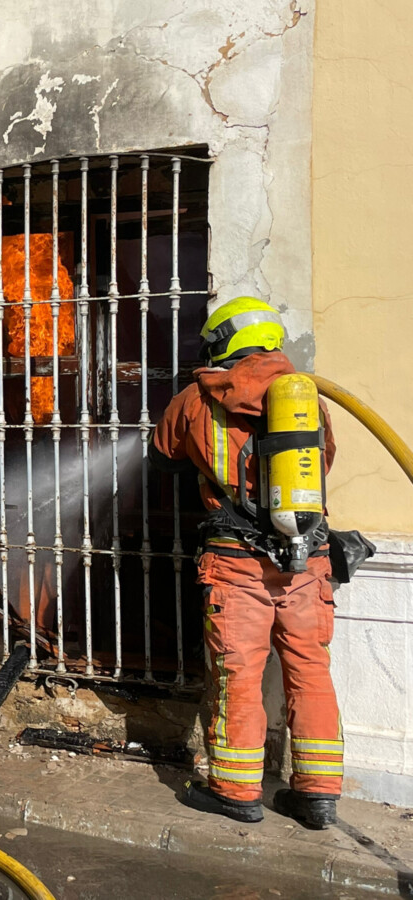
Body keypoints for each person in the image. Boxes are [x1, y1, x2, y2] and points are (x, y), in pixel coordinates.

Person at [149, 297, 343, 829]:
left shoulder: (196, 400)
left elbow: (161, 458)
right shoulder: (308, 400)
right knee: (310, 673)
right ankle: (318, 796)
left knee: (238, 676)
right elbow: (323, 462)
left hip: (237, 567)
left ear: (221, 343)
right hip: (308, 563)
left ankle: (235, 791)